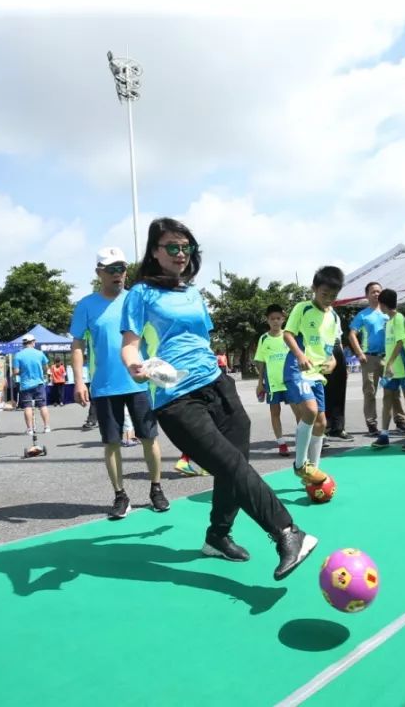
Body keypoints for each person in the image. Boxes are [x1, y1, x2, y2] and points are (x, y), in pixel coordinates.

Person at [119, 217, 317, 581]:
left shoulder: (192, 292)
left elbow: (200, 342)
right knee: (229, 464)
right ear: (154, 252)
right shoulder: (141, 293)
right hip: (175, 396)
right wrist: (136, 366)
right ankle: (287, 533)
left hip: (216, 383)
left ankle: (217, 536)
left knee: (234, 464)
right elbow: (130, 345)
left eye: (186, 247)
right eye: (172, 247)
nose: (181, 254)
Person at [71, 246, 170, 519]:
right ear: (99, 272)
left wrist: (161, 371)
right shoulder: (86, 305)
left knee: (149, 438)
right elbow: (77, 344)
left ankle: (156, 488)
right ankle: (120, 495)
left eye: (122, 268)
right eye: (112, 269)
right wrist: (79, 381)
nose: (119, 274)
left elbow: (156, 337)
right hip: (104, 385)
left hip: (139, 383)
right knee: (111, 442)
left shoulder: (137, 301)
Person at [283, 266, 343, 486]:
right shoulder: (302, 308)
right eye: (324, 294)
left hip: (318, 374)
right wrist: (299, 354)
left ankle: (312, 474)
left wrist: (335, 361)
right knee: (310, 410)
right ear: (314, 289)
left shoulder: (335, 317)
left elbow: (335, 344)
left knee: (321, 423)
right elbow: (288, 333)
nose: (328, 299)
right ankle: (300, 465)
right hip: (297, 369)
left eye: (333, 296)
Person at [348, 281, 405, 437]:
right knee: (370, 392)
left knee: (393, 390)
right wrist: (359, 353)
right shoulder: (363, 315)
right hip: (370, 359)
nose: (376, 294)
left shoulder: (388, 313)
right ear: (366, 295)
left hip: (388, 358)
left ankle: (400, 421)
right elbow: (352, 334)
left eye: (378, 291)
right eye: (373, 291)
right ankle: (372, 424)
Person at [370, 289, 405, 450]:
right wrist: (387, 364)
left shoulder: (399, 319)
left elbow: (400, 343)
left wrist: (391, 363)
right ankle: (384, 434)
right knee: (387, 399)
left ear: (383, 304)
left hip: (402, 368)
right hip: (390, 369)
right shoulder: (389, 322)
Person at [254, 304, 292, 457]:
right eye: (272, 319)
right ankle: (281, 443)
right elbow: (260, 362)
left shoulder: (289, 336)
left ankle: (303, 440)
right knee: (275, 413)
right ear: (267, 320)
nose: (276, 321)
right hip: (272, 383)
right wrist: (260, 383)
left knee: (299, 411)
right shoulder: (264, 338)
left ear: (283, 319)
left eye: (278, 318)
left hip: (290, 380)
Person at [13, 334, 51, 434]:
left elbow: (16, 371)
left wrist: (23, 372)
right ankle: (46, 427)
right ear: (33, 342)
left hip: (25, 384)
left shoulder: (18, 355)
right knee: (43, 405)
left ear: (23, 343)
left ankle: (30, 429)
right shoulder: (40, 353)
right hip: (39, 383)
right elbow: (46, 368)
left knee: (27, 406)